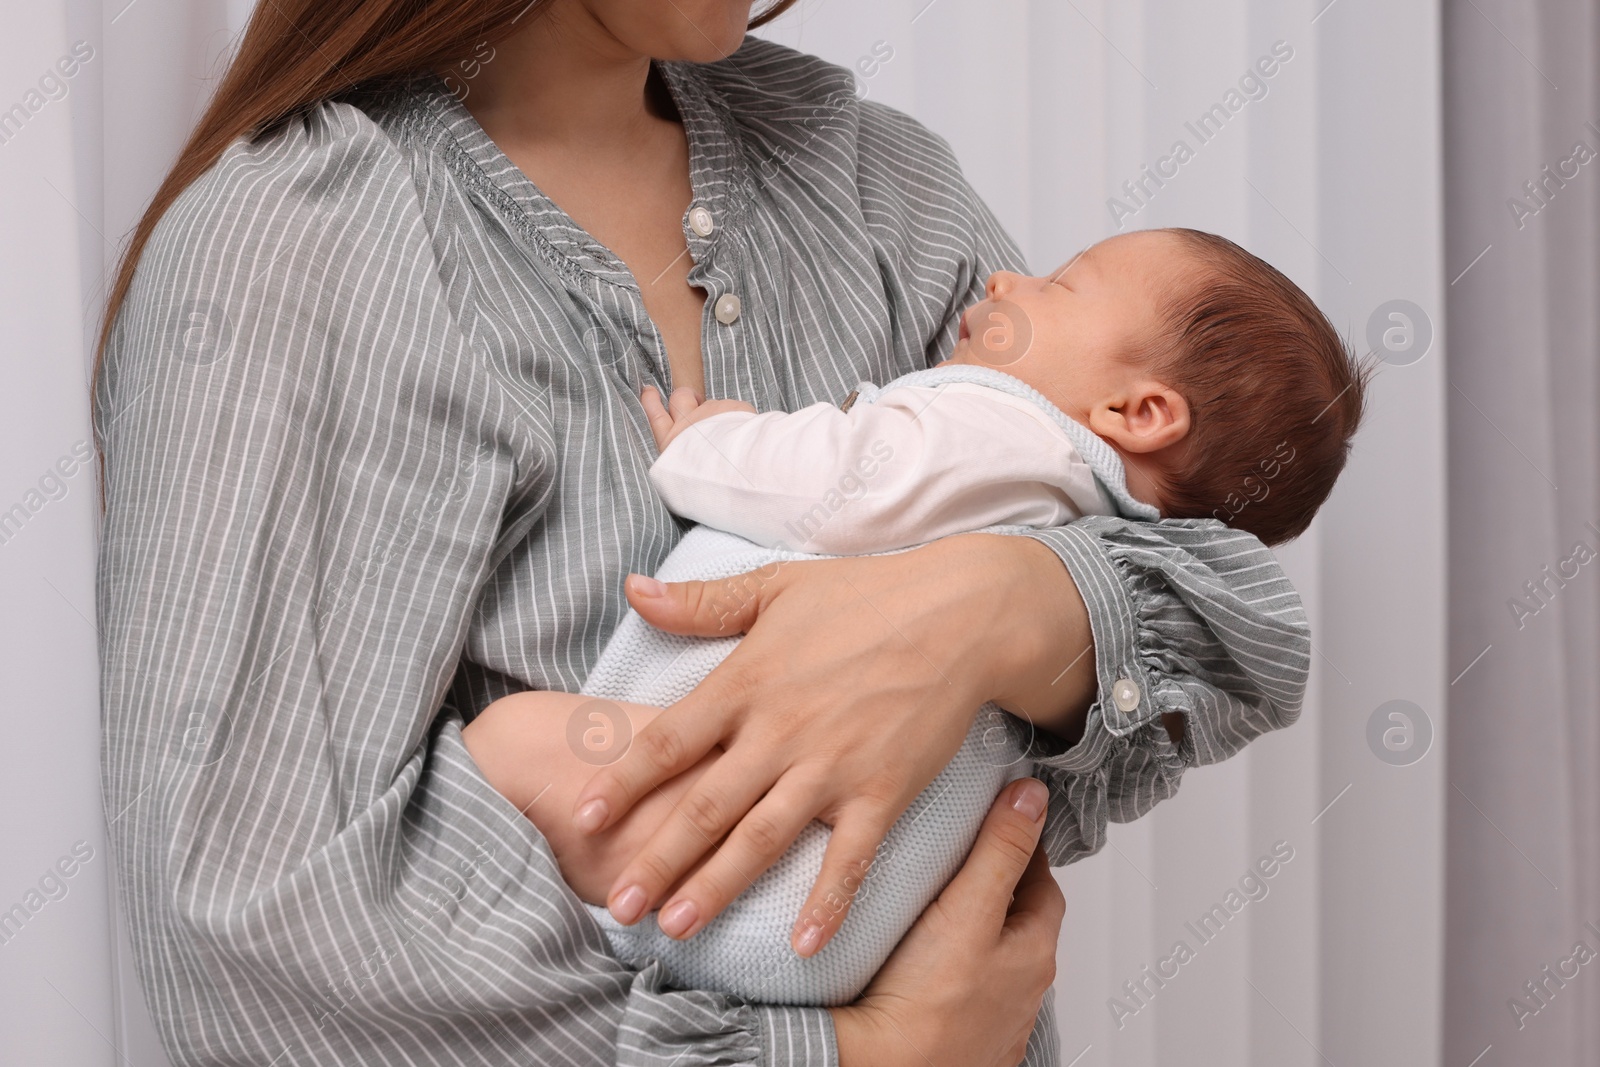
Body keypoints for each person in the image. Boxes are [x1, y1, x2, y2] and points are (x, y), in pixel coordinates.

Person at [93, 2, 1312, 1064]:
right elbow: (251, 934)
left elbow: (1219, 626)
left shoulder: (876, 186)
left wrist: (1008, 605)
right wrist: (848, 1052)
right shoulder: (297, 243)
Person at [485, 227, 1364, 1006]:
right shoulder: (1076, 512)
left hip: (785, 872)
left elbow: (842, 486)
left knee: (508, 745)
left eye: (1055, 285)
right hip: (862, 914)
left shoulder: (1002, 429)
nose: (1002, 281)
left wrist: (705, 445)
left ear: (1138, 413)